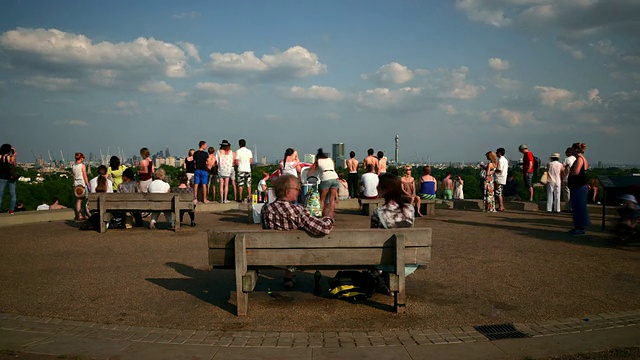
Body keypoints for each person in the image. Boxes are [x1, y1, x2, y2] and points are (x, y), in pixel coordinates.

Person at [261, 174, 334, 287]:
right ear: (287, 192)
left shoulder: (265, 209)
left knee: (287, 242)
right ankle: (290, 274)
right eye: (297, 189)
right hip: (296, 254)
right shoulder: (297, 210)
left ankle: (288, 276)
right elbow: (323, 228)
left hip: (270, 254)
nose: (299, 191)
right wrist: (328, 217)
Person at [309, 148, 339, 218]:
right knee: (332, 199)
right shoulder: (330, 160)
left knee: (322, 199)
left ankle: (320, 214)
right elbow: (334, 168)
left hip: (326, 178)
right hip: (334, 177)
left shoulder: (318, 161)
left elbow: (311, 171)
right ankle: (331, 216)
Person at [568, 142, 590, 236]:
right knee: (577, 207)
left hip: (578, 186)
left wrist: (570, 170)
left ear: (576, 149)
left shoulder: (579, 159)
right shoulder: (582, 159)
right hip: (579, 186)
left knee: (579, 207)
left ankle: (580, 228)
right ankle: (578, 227)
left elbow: (576, 172)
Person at [71, 152, 90, 220]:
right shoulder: (82, 166)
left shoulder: (73, 166)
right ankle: (85, 214)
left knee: (78, 200)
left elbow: (73, 176)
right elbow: (85, 176)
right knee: (86, 200)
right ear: (81, 158)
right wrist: (88, 184)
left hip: (76, 184)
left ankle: (79, 215)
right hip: (82, 183)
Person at [0, 144, 18, 214]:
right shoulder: (11, 158)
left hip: (1, 177)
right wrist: (14, 154)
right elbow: (14, 165)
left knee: (0, 194)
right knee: (13, 194)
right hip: (11, 178)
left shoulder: (0, 157)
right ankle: (11, 210)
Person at [562, 147, 576, 212]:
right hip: (574, 178)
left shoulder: (566, 159)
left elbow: (562, 169)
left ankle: (568, 208)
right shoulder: (575, 159)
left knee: (567, 194)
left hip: (566, 178)